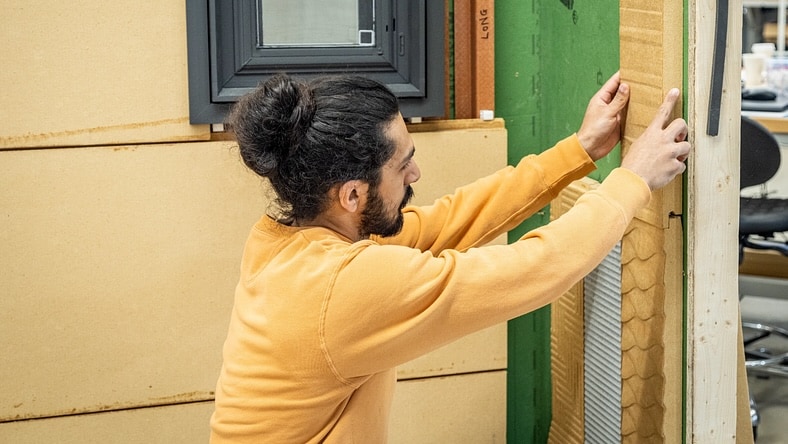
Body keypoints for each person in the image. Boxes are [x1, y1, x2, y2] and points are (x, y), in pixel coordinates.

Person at [209, 72, 690, 443]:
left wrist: (578, 150)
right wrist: (634, 180)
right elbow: (536, 269)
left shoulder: (287, 240)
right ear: (353, 195)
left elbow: (452, 219)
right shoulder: (341, 287)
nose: (416, 172)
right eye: (402, 164)